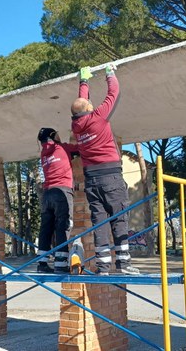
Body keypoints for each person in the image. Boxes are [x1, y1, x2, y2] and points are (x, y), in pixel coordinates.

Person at [70, 64, 140, 275]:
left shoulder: (76, 125)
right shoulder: (98, 117)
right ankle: (124, 263)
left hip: (92, 180)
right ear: (90, 109)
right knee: (119, 217)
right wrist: (110, 73)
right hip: (110, 176)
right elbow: (114, 93)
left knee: (99, 222)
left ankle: (103, 267)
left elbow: (81, 104)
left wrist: (84, 82)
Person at [36, 127, 79, 273]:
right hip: (62, 192)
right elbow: (80, 149)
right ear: (53, 136)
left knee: (46, 228)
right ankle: (61, 264)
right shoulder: (62, 147)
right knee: (63, 225)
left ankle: (42, 263)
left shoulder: (43, 154)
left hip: (47, 194)